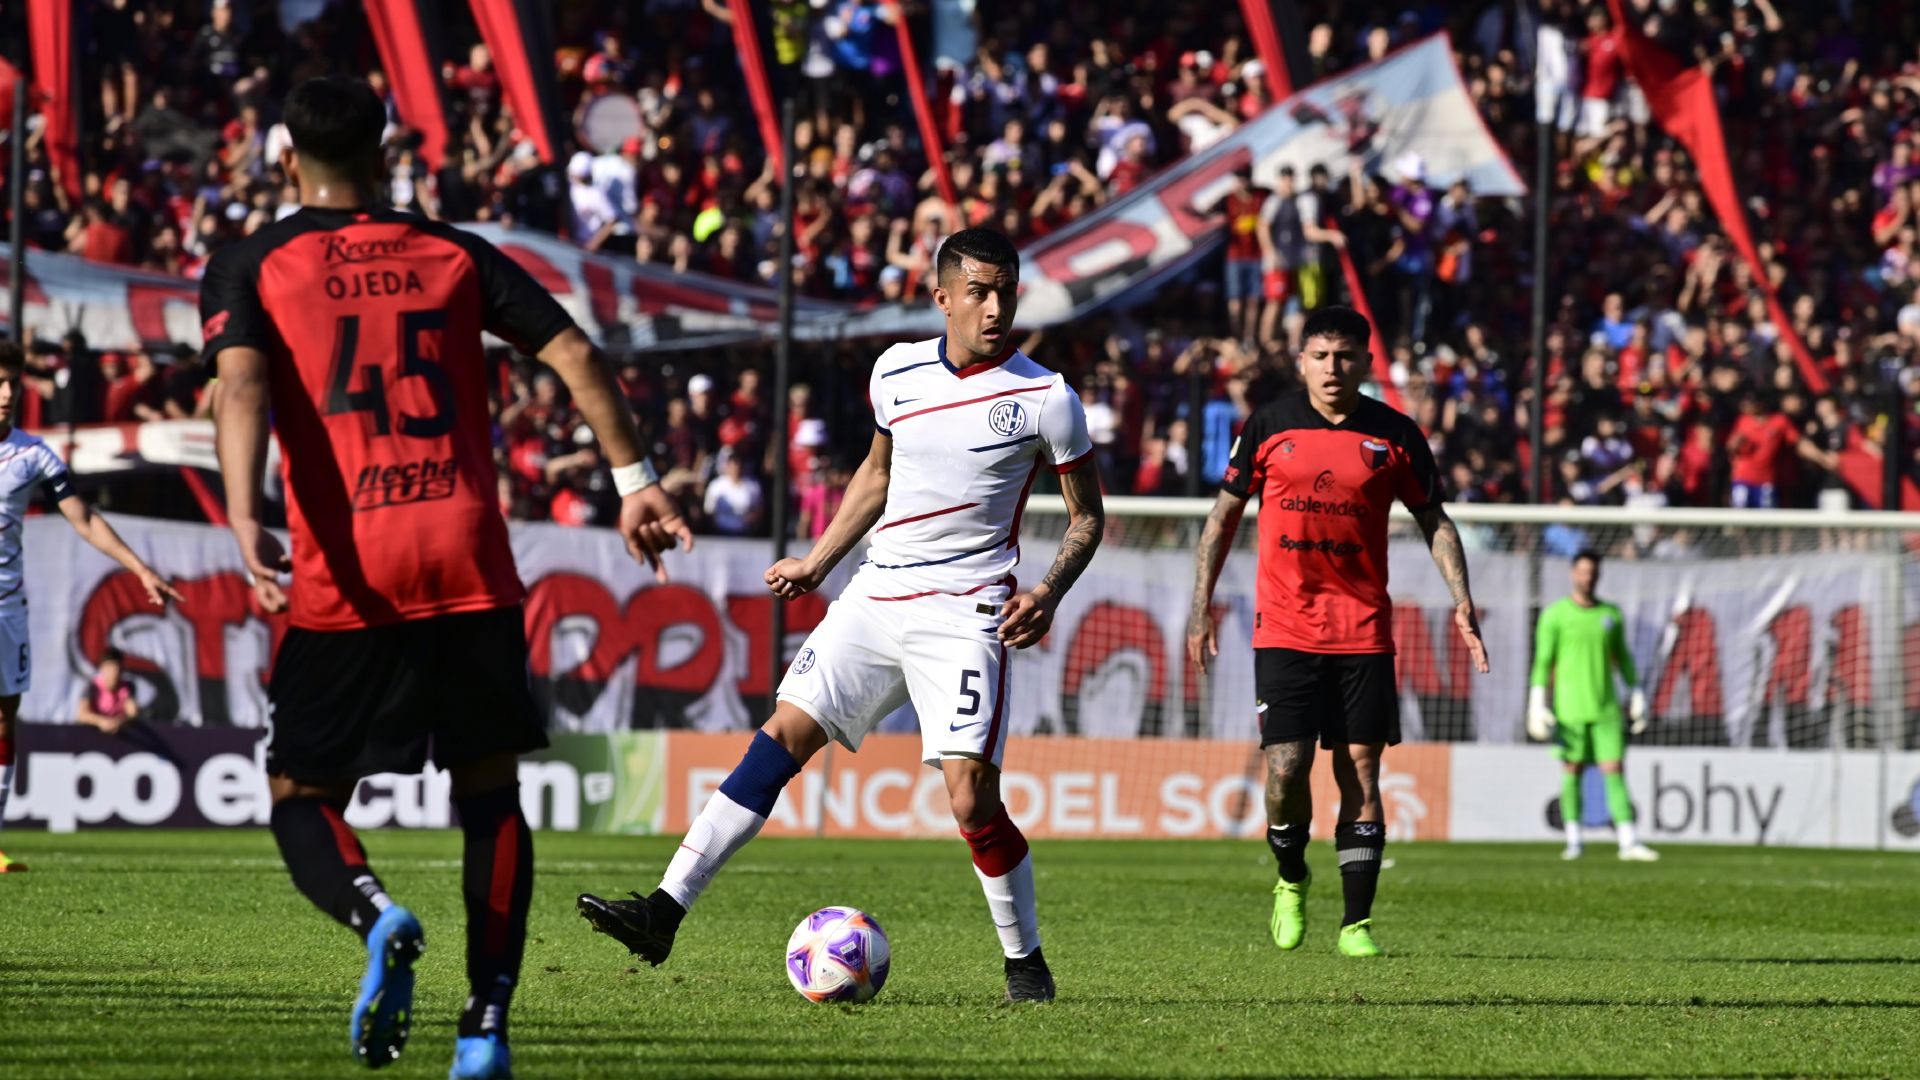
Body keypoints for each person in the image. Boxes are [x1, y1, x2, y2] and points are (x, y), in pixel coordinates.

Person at [200, 76, 690, 1079]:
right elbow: (575, 352)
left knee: (302, 790)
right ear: (387, 154)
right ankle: (484, 1029)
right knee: (490, 794)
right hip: (468, 553)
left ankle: (375, 911)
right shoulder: (454, 251)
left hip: (351, 571)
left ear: (288, 157)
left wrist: (246, 519)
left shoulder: (256, 262)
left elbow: (240, 381)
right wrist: (635, 484)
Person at [578, 227, 1104, 1004]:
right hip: (875, 594)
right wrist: (818, 563)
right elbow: (877, 473)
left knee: (969, 796)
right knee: (778, 738)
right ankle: (662, 912)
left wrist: (1049, 591)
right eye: (981, 292)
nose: (996, 307)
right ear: (944, 298)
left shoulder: (1046, 398)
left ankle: (1024, 964)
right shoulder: (896, 371)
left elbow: (1087, 518)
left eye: (1007, 291)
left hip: (966, 612)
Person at [1187, 306, 1487, 959]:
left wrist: (1462, 599)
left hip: (1363, 630)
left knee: (1361, 770)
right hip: (1286, 624)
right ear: (1302, 361)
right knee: (1286, 768)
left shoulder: (1396, 435)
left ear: (1366, 364)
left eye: (1345, 357)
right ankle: (1291, 877)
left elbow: (1435, 520)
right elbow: (1221, 519)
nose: (1332, 368)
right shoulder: (1269, 425)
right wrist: (1199, 605)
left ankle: (1356, 925)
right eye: (1320, 356)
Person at [0, 342, 179, 875]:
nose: (7, 394)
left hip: (7, 607)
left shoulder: (33, 454)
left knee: (5, 721)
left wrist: (139, 566)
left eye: (11, 383)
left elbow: (84, 518)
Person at [1528, 551, 1659, 862]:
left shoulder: (1611, 614)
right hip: (1569, 709)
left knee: (1614, 770)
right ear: (1573, 573)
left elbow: (1623, 657)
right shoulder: (1555, 615)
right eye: (1583, 572)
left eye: (1593, 573)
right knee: (1571, 770)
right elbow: (1543, 662)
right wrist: (1536, 702)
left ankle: (1628, 841)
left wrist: (1637, 692)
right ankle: (1574, 839)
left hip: (1606, 709)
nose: (1588, 578)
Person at [75, 647, 141, 735]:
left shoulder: (127, 687)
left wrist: (117, 722)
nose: (114, 672)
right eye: (110, 667)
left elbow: (133, 713)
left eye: (117, 668)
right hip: (92, 736)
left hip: (120, 736)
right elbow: (81, 715)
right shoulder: (92, 686)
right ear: (103, 668)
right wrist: (101, 722)